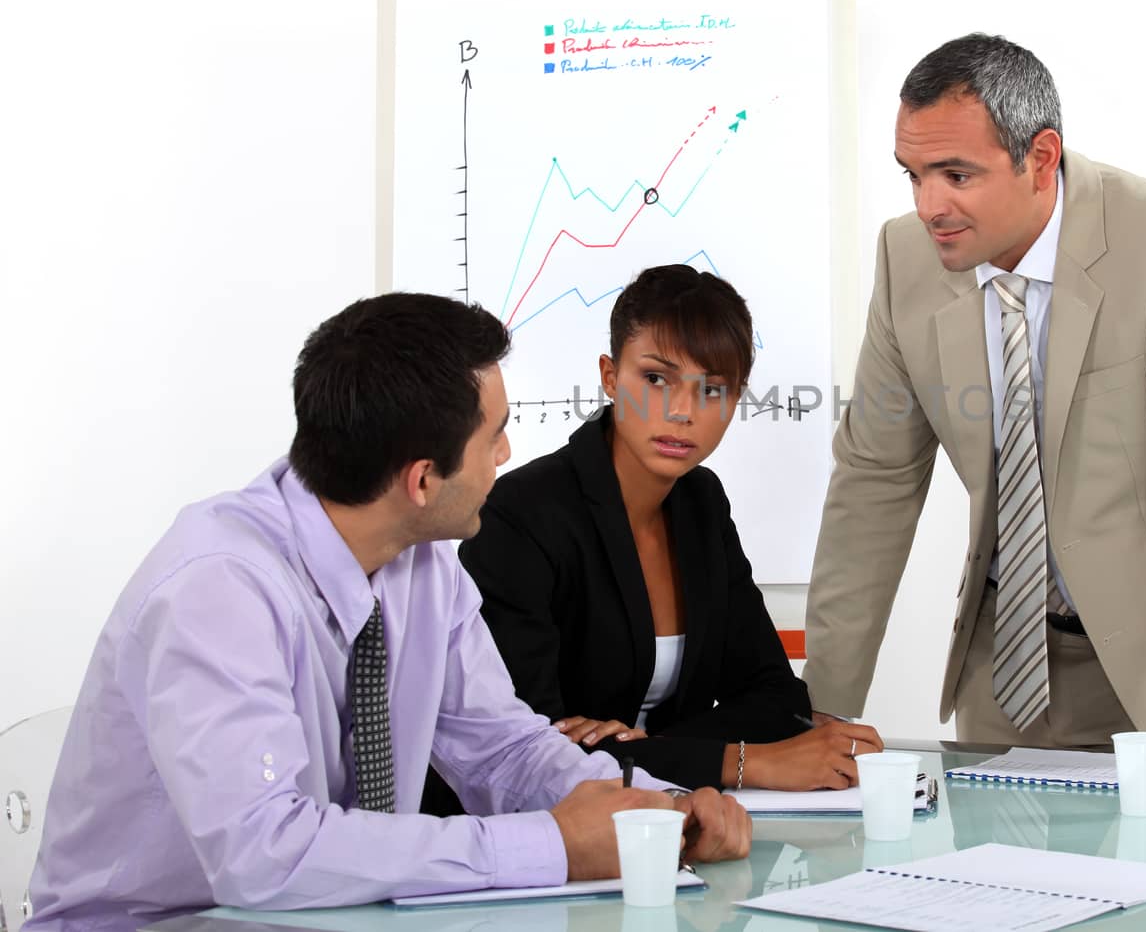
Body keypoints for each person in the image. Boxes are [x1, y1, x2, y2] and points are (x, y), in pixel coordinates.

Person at [26, 292, 749, 932]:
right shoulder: (217, 589)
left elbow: (504, 749)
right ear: (422, 479)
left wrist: (661, 811)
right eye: (492, 435)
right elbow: (265, 855)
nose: (506, 451)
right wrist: (551, 845)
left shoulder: (422, 559)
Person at [803, 34, 1146, 766]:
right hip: (1005, 673)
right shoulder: (907, 261)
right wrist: (821, 705)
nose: (931, 206)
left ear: (1041, 158)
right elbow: (874, 483)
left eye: (956, 174)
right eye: (914, 175)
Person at [422, 265, 883, 812]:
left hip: (664, 820)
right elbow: (529, 748)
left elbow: (776, 699)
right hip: (523, 833)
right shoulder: (523, 514)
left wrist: (652, 750)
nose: (683, 412)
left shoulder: (701, 503)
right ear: (611, 377)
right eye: (657, 379)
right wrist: (742, 761)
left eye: (713, 389)